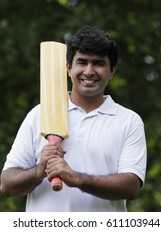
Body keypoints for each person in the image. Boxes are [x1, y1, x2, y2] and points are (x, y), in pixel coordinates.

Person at [0, 25, 147, 212]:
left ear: (112, 71)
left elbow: (130, 186)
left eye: (99, 63)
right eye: (82, 62)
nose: (89, 71)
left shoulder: (128, 121)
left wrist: (77, 178)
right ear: (68, 68)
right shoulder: (39, 114)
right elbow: (6, 185)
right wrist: (38, 171)